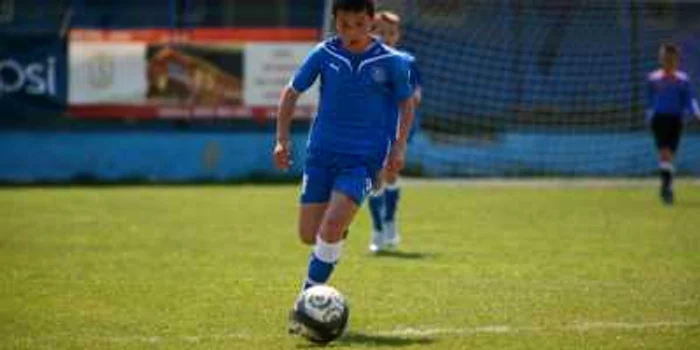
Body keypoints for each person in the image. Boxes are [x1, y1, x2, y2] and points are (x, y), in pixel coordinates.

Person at [273, 0, 414, 310]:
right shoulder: (324, 53)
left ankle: (306, 304)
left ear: (371, 20)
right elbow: (291, 92)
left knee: (331, 226)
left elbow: (407, 103)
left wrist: (399, 146)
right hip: (321, 156)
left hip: (363, 161)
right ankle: (335, 233)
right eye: (343, 24)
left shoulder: (391, 61)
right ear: (335, 21)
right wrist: (282, 140)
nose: (351, 32)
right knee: (309, 236)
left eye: (359, 24)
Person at [367, 10, 423, 253]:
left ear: (398, 35)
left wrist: (402, 97)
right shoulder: (366, 60)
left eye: (391, 32)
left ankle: (389, 221)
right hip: (370, 129)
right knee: (375, 179)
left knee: (390, 175)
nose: (386, 36)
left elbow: (416, 95)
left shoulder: (406, 61)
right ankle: (377, 229)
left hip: (398, 128)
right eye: (380, 31)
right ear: (371, 31)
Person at [646, 43, 700, 205]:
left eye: (670, 58)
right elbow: (649, 100)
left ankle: (666, 184)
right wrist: (648, 115)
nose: (667, 61)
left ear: (676, 60)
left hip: (676, 119)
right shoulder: (653, 79)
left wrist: (696, 112)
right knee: (664, 151)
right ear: (661, 59)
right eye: (664, 57)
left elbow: (690, 99)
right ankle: (666, 188)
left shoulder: (682, 80)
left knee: (670, 154)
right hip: (660, 118)